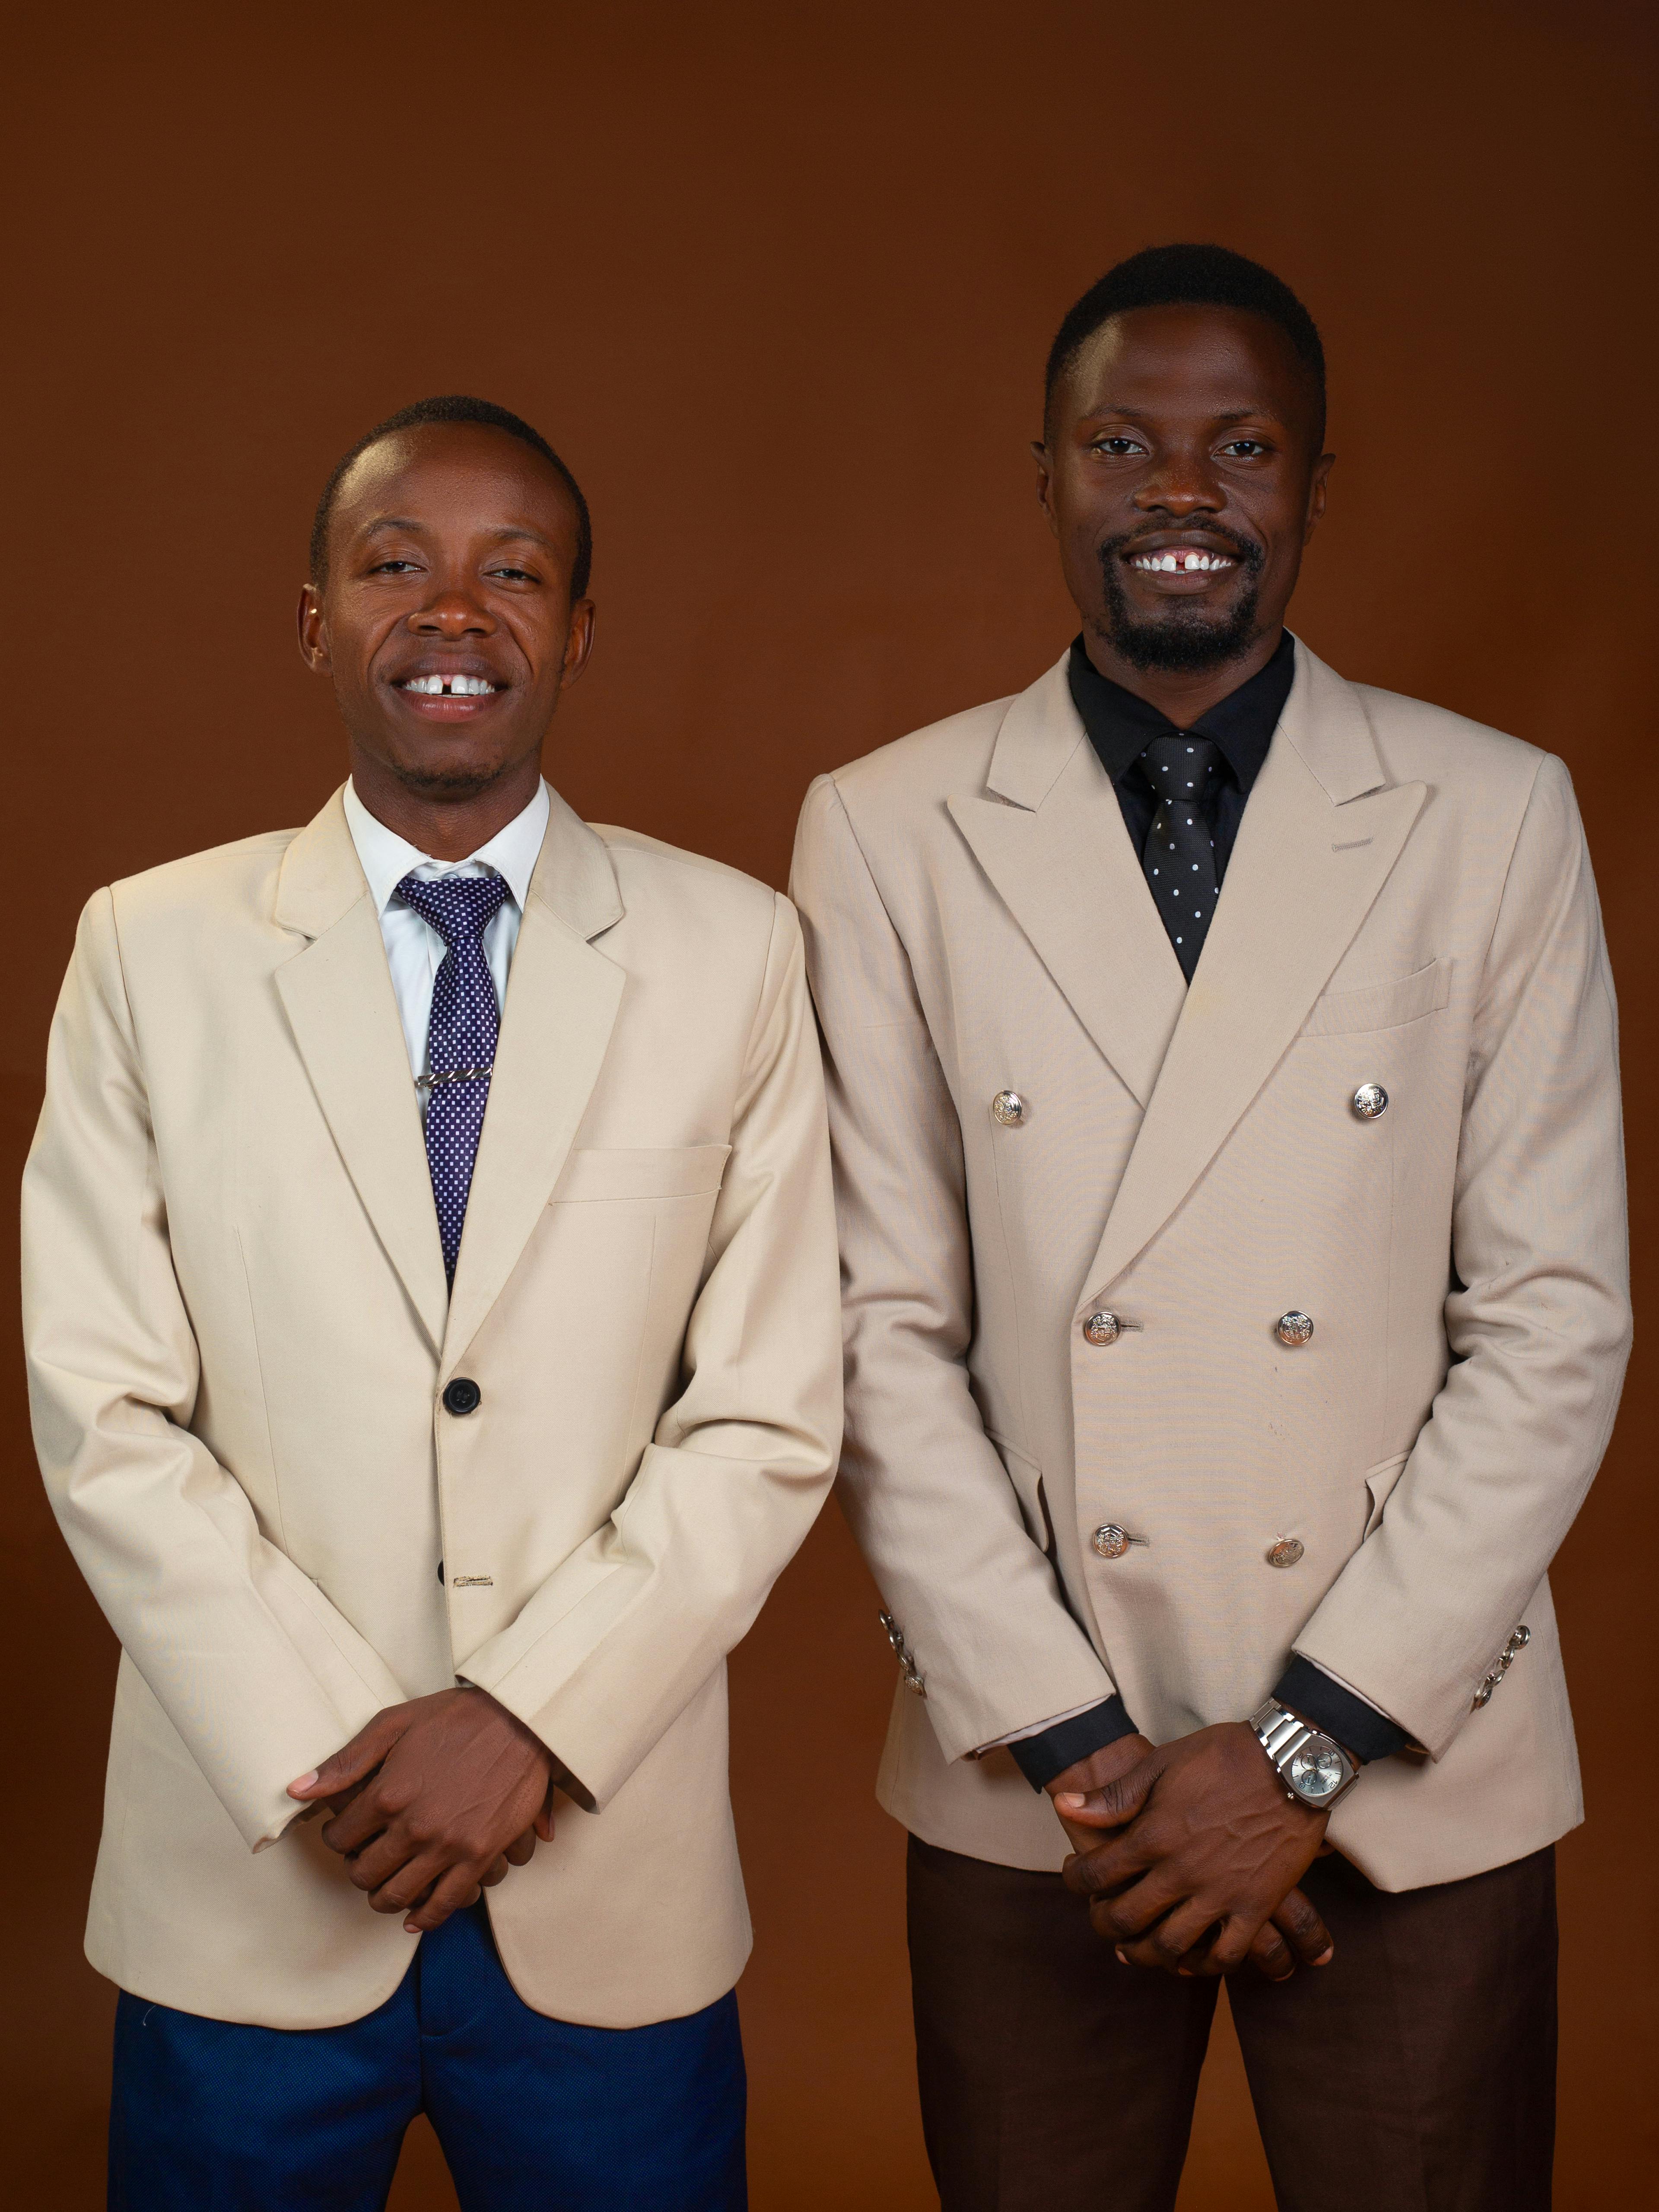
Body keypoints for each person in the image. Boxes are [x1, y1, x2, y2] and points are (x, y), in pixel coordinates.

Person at [789, 245, 1630, 2211]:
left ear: (1313, 483)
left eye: (1240, 445)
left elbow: (1556, 1317)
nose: (1183, 492)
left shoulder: (1492, 813)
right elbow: (870, 1326)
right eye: (1124, 444)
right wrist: (1094, 1757)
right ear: (1051, 474)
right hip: (1041, 1784)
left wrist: (1305, 1753)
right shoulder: (889, 826)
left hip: (1415, 1767)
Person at [24, 394, 841, 2211]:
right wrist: (338, 1749)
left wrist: (530, 1718)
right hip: (249, 1877)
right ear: (314, 617)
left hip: (602, 1888)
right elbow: (103, 1405)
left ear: (579, 627)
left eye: (513, 571)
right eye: (395, 564)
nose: (453, 611)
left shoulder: (737, 952)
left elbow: (769, 1408)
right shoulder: (148, 950)